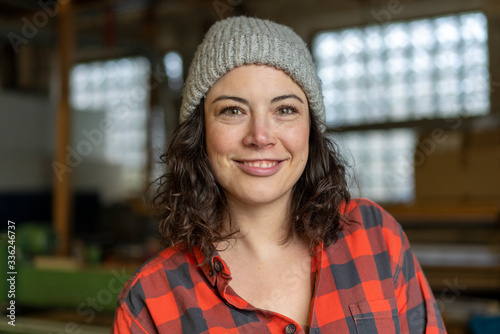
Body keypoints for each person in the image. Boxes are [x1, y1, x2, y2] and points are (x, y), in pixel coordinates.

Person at [112, 16, 446, 334]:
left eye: (285, 110)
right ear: (199, 132)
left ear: (311, 130)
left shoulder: (376, 237)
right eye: (232, 110)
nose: (260, 135)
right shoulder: (152, 301)